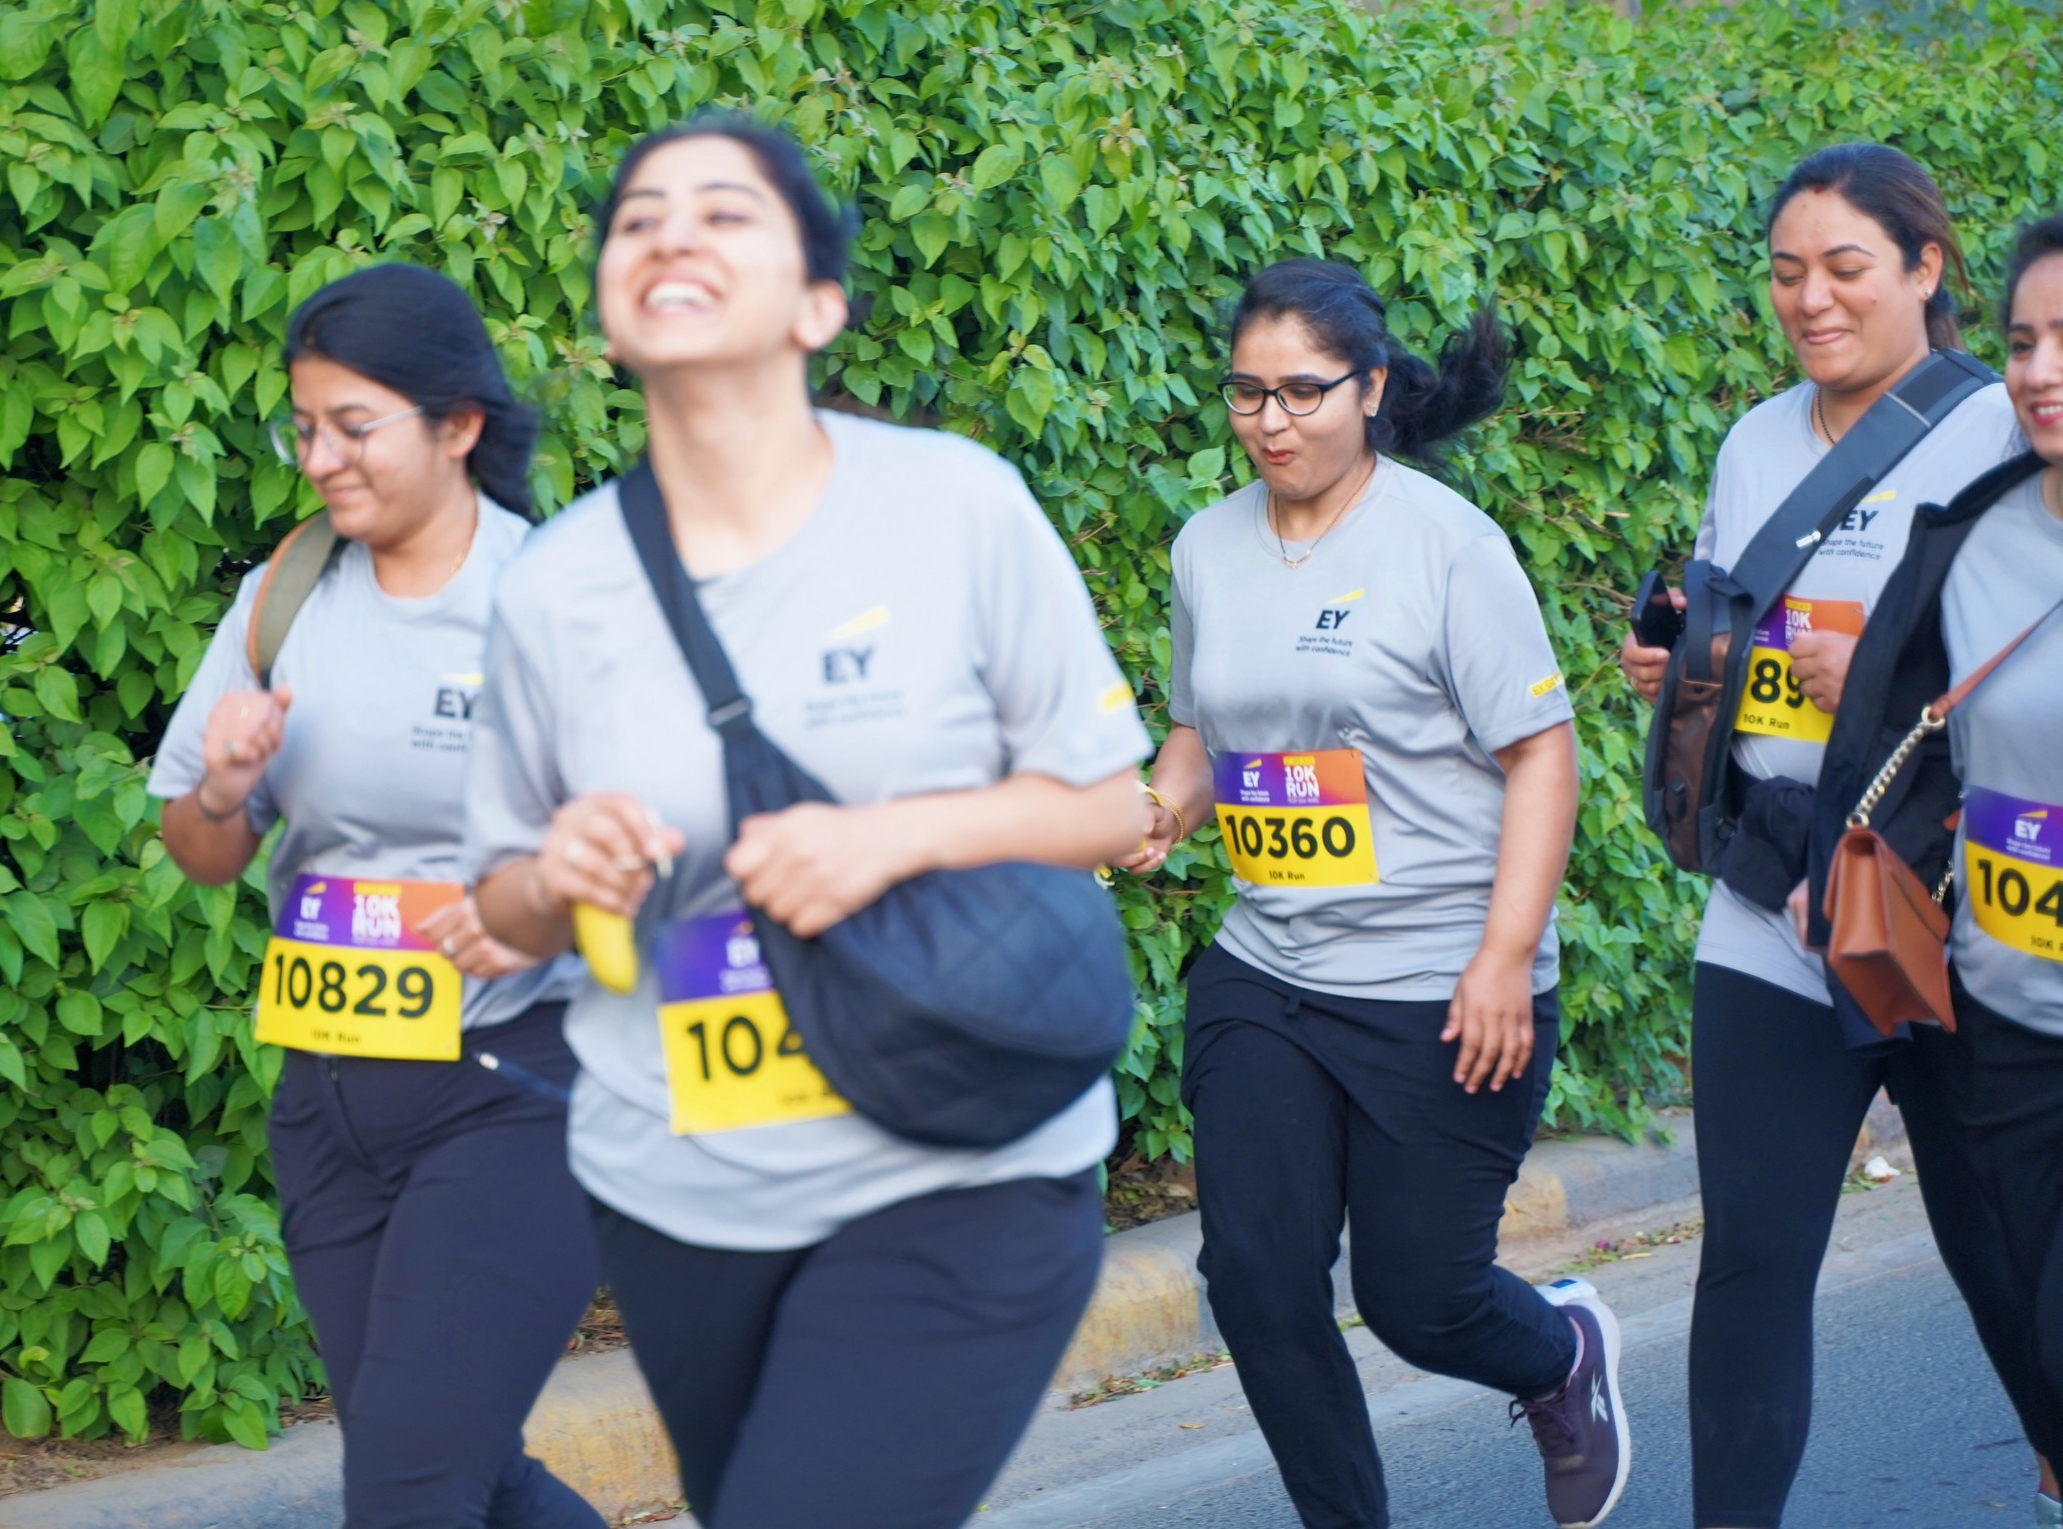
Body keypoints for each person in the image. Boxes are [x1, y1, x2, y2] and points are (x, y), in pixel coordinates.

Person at [462, 111, 1153, 1529]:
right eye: (639, 218)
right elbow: (500, 906)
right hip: (677, 1187)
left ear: (818, 305)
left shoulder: (955, 507)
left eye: (725, 212)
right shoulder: (556, 584)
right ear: (609, 313)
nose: (671, 233)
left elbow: (1106, 804)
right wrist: (559, 873)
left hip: (960, 1165)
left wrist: (891, 839)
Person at [1124, 258, 1625, 1529]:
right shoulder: (1206, 545)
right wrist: (1163, 808)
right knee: (1255, 1279)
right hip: (1271, 970)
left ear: (1372, 388)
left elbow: (1541, 753)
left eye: (1302, 391)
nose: (1271, 420)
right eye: (1248, 392)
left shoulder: (1448, 547)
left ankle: (1561, 1354)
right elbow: (1199, 731)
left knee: (1421, 1300)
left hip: (1439, 979)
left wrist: (1505, 955)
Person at [1618, 144, 2039, 1529]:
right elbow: (1748, 640)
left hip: (1952, 910)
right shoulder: (1754, 443)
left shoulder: (2007, 436)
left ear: (1926, 268)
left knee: (2006, 1254)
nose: (1812, 299)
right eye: (1788, 272)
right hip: (1776, 896)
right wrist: (1683, 662)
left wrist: (1903, 706)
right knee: (1750, 1255)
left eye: (1847, 268)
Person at [150, 263, 603, 1529]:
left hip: (520, 1093)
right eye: (303, 428)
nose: (320, 460)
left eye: (353, 427)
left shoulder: (556, 604)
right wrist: (226, 786)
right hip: (330, 1099)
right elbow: (202, 850)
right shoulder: (286, 594)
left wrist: (529, 898)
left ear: (457, 424)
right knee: (468, 1475)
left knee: (409, 1489)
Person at [1805, 211, 2063, 1529]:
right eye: (2022, 341)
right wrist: (1852, 868)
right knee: (2034, 1336)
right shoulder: (1971, 534)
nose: (2040, 371)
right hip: (2005, 1020)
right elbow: (1904, 741)